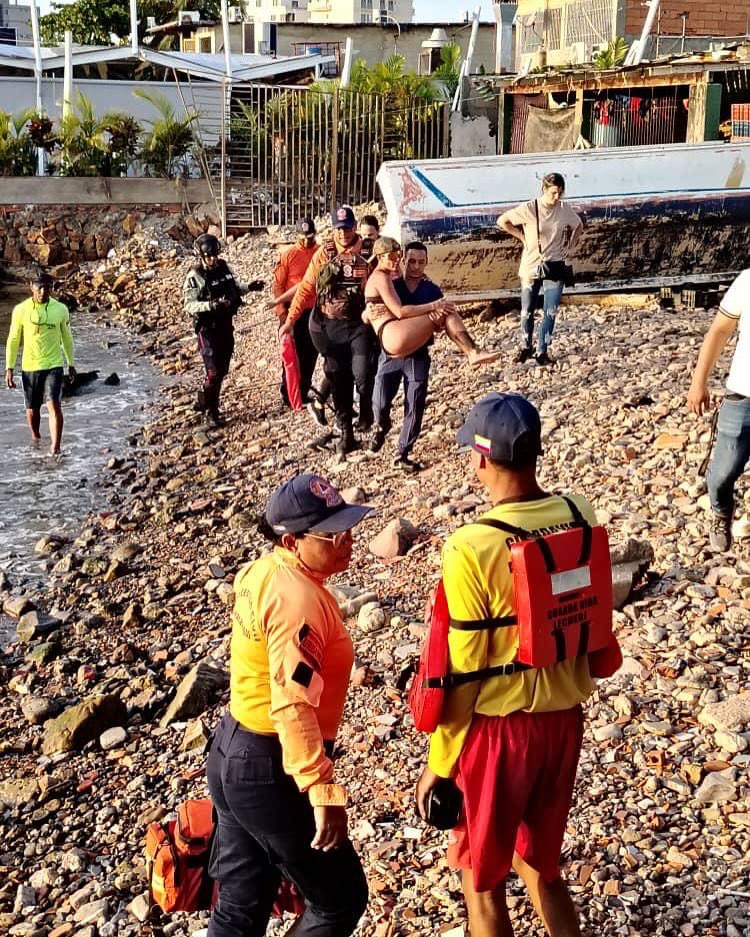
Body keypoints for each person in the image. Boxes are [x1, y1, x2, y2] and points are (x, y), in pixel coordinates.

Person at [416, 392, 597, 937]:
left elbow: (466, 672)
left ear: (479, 459)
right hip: (563, 725)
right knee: (543, 868)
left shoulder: (470, 546)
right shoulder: (577, 513)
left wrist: (440, 763)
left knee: (483, 881)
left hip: (499, 738)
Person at [206, 473, 371, 937]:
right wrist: (322, 790)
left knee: (242, 902)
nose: (347, 541)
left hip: (230, 751)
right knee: (340, 899)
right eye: (332, 535)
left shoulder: (262, 572)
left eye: (348, 527)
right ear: (290, 541)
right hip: (269, 766)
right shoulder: (298, 601)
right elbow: (292, 703)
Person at [280, 206, 375, 455]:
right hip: (328, 325)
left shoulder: (368, 251)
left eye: (347, 227)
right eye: (339, 228)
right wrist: (290, 321)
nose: (343, 233)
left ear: (354, 227)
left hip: (358, 324)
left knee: (364, 373)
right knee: (337, 376)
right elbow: (306, 288)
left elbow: (387, 276)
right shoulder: (324, 254)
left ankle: (366, 408)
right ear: (333, 229)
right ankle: (346, 433)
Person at [687, 270, 750, 552]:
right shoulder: (747, 280)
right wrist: (699, 382)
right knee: (723, 473)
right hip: (742, 394)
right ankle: (721, 509)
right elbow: (720, 331)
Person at [363, 237, 500, 365]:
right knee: (445, 310)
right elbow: (400, 312)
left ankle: (472, 352)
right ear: (380, 257)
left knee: (444, 311)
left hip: (400, 341)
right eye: (392, 257)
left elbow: (378, 305)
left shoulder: (428, 287)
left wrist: (437, 317)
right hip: (393, 335)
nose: (396, 260)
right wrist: (434, 306)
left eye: (397, 256)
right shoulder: (383, 278)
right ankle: (472, 351)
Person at [497, 173, 582, 366]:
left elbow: (578, 225)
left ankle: (543, 350)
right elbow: (502, 221)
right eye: (553, 193)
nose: (557, 197)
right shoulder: (529, 208)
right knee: (527, 310)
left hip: (555, 264)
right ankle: (525, 346)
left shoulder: (563, 209)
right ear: (544, 190)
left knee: (550, 311)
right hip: (532, 264)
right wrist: (521, 237)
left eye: (560, 193)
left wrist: (570, 246)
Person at [183, 233, 264, 428]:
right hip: (207, 329)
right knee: (213, 371)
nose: (213, 259)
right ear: (201, 256)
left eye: (215, 255)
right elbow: (189, 305)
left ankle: (205, 402)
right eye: (208, 256)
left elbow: (234, 288)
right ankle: (210, 410)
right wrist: (211, 305)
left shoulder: (223, 268)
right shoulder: (196, 276)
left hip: (225, 326)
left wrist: (249, 287)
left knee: (222, 370)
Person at [5, 271, 76, 455]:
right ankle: (36, 438)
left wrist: (71, 363)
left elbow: (67, 338)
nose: (44, 291)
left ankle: (55, 447)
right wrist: (9, 368)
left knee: (54, 404)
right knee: (32, 409)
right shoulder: (20, 310)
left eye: (47, 287)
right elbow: (13, 339)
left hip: (53, 364)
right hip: (30, 366)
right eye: (40, 287)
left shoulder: (60, 309)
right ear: (32, 287)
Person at [271, 217, 328, 425]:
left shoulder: (321, 252)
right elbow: (278, 286)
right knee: (290, 356)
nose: (307, 241)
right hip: (292, 313)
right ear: (297, 236)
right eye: (303, 238)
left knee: (311, 353)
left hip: (314, 311)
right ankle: (288, 393)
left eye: (310, 237)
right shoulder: (288, 255)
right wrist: (283, 316)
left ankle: (303, 391)